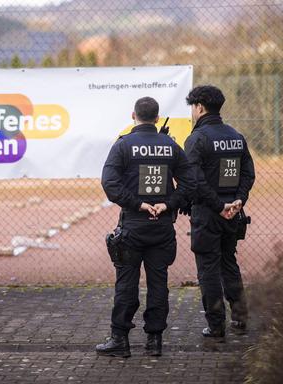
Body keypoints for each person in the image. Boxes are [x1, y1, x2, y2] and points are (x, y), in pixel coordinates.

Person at [97, 96, 196, 357]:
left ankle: (120, 340)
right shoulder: (171, 146)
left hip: (133, 226)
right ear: (157, 118)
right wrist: (168, 204)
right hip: (162, 227)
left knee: (126, 283)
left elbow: (109, 183)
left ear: (133, 116)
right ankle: (154, 341)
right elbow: (190, 183)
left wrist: (137, 204)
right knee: (158, 283)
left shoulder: (123, 145)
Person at [183, 85, 255, 339]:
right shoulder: (236, 136)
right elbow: (248, 173)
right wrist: (238, 201)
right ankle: (240, 317)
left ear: (200, 107)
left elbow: (194, 180)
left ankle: (216, 326)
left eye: (192, 107)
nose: (192, 112)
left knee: (208, 270)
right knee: (228, 262)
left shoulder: (197, 139)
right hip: (233, 214)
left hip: (208, 214)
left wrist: (218, 205)